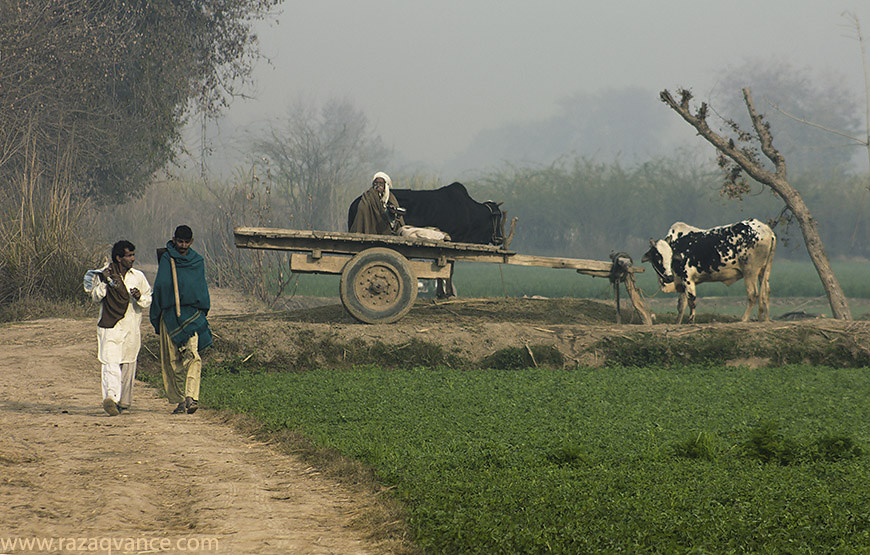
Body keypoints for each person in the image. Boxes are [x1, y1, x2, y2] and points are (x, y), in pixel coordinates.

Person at [84, 240, 152, 416]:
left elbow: (148, 297)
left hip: (131, 325)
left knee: (129, 362)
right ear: (118, 258)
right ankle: (111, 399)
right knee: (110, 362)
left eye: (133, 255)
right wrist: (106, 282)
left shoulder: (138, 276)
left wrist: (139, 297)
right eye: (129, 255)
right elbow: (96, 297)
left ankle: (124, 402)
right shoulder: (105, 275)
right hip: (111, 324)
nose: (132, 259)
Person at [149, 225, 212, 415]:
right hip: (169, 315)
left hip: (191, 315)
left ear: (191, 242)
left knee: (193, 356)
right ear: (174, 239)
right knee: (173, 360)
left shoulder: (197, 261)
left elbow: (200, 288)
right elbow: (160, 287)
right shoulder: (167, 259)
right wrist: (158, 314)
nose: (182, 245)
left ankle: (191, 397)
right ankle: (179, 401)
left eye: (186, 242)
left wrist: (200, 311)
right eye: (179, 242)